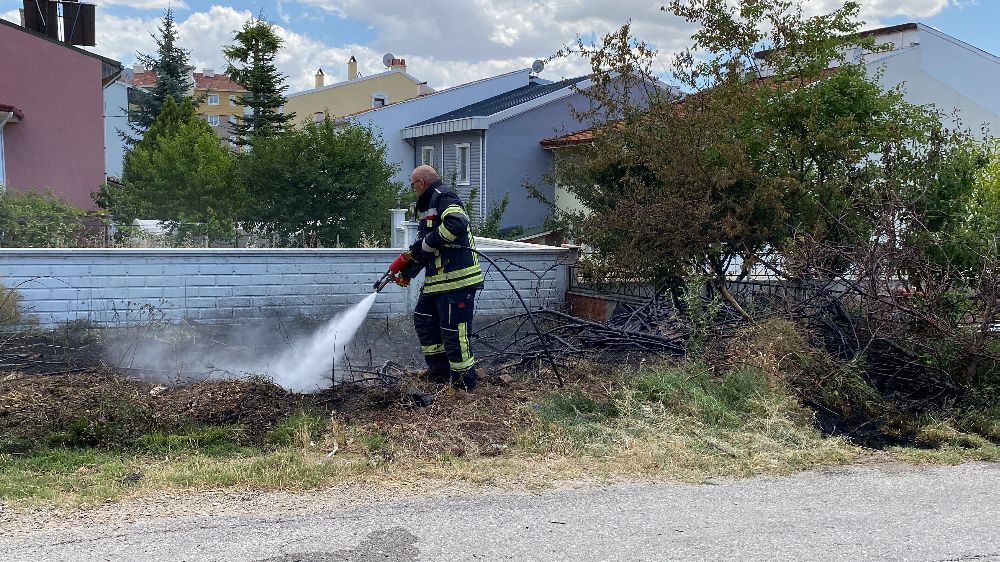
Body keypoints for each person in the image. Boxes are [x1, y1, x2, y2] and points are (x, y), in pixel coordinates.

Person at [405, 165, 483, 391]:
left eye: (413, 185)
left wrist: (428, 243)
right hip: (437, 282)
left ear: (421, 183)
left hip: (458, 280)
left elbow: (457, 223)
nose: (413, 189)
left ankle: (463, 385)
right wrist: (407, 270)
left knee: (453, 332)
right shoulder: (427, 207)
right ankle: (439, 374)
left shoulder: (444, 197)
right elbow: (424, 246)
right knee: (423, 318)